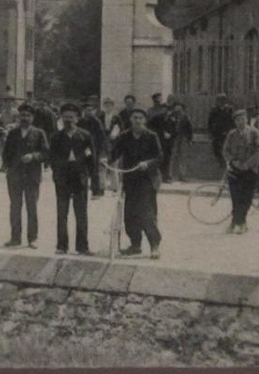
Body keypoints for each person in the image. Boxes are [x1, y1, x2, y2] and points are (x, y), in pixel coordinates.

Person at [109, 107, 164, 259]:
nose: (137, 120)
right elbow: (115, 152)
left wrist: (147, 163)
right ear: (130, 120)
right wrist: (105, 160)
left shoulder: (151, 136)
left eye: (140, 118)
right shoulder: (124, 136)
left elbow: (159, 157)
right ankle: (135, 245)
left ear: (145, 120)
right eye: (134, 118)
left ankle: (154, 245)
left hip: (147, 179)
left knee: (147, 213)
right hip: (130, 178)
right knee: (130, 214)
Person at [49, 102, 96, 255]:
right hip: (62, 178)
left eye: (71, 117)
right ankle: (62, 246)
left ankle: (82, 246)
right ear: (61, 118)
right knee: (62, 213)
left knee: (81, 213)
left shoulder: (85, 135)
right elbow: (52, 158)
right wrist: (57, 174)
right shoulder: (56, 137)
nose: (68, 120)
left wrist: (90, 177)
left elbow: (91, 158)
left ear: (77, 118)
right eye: (65, 117)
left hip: (79, 178)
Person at [0, 105, 48, 248]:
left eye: (28, 115)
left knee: (31, 207)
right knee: (15, 207)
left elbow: (46, 153)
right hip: (14, 176)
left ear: (32, 118)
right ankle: (15, 238)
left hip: (32, 176)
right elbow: (6, 153)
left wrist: (33, 156)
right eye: (23, 115)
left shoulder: (39, 133)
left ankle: (32, 238)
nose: (25, 118)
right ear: (18, 117)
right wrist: (8, 168)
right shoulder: (13, 133)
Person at [222, 106, 259, 234]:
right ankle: (237, 223)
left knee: (246, 198)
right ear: (235, 122)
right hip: (235, 169)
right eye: (237, 120)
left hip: (250, 170)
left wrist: (247, 164)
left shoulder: (254, 133)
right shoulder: (231, 134)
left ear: (247, 119)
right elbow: (225, 150)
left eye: (242, 119)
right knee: (236, 197)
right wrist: (233, 161)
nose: (240, 122)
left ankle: (239, 222)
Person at [78, 101, 109, 197]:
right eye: (87, 110)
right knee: (82, 168)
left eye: (91, 110)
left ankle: (96, 191)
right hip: (83, 147)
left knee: (94, 169)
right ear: (83, 111)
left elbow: (102, 136)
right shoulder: (80, 121)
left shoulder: (96, 121)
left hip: (95, 148)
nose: (89, 112)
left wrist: (101, 150)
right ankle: (81, 189)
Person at [168, 102, 194, 182]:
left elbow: (190, 128)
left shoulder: (185, 117)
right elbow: (168, 126)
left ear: (182, 108)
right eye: (176, 107)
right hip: (173, 138)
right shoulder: (170, 116)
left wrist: (190, 139)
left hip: (183, 138)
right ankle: (169, 175)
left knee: (183, 157)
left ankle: (182, 175)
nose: (178, 109)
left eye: (179, 107)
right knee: (171, 156)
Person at [207, 93, 235, 166]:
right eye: (219, 101)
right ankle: (220, 159)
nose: (221, 103)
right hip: (217, 132)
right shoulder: (214, 110)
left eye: (223, 101)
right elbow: (210, 122)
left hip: (226, 131)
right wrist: (211, 132)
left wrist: (231, 130)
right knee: (216, 146)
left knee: (226, 146)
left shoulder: (229, 110)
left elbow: (232, 121)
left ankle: (226, 160)